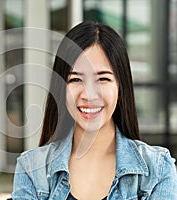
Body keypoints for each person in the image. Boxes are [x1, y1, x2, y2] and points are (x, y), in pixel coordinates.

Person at [10, 21, 177, 199]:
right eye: (76, 79)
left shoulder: (157, 170)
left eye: (102, 79)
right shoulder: (31, 169)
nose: (89, 95)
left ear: (121, 88)